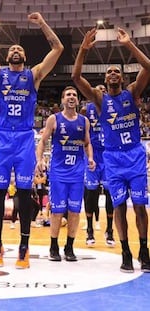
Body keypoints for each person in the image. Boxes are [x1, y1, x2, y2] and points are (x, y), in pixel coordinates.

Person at [0, 13, 63, 268]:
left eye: (20, 48)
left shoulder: (34, 75)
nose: (16, 50)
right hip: (1, 137)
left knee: (23, 192)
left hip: (23, 138)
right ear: (7, 57)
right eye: (12, 49)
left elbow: (58, 48)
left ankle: (24, 246)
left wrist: (42, 23)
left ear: (25, 56)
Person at [72, 27, 150, 272]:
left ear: (123, 78)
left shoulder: (133, 93)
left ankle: (144, 250)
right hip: (114, 158)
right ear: (105, 80)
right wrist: (83, 50)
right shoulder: (99, 99)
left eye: (117, 71)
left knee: (139, 206)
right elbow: (76, 78)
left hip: (135, 155)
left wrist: (129, 44)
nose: (114, 73)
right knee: (117, 206)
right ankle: (125, 251)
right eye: (109, 72)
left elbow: (148, 68)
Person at [36, 86, 95, 262]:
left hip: (77, 173)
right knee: (57, 211)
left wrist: (90, 158)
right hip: (58, 174)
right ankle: (53, 246)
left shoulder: (84, 121)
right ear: (62, 100)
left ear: (78, 100)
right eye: (68, 94)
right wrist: (39, 160)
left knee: (75, 212)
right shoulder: (54, 119)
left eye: (74, 95)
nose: (71, 97)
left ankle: (69, 246)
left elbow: (87, 143)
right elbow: (42, 142)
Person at [83, 85, 116, 248]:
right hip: (93, 156)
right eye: (98, 89)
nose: (101, 91)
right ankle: (89, 229)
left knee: (111, 194)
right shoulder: (86, 110)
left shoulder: (113, 107)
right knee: (91, 194)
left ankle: (110, 230)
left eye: (104, 89)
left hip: (109, 156)